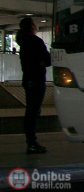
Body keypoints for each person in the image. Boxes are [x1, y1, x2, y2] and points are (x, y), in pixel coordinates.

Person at [16, 17, 51, 154]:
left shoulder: (23, 41)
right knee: (34, 111)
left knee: (31, 110)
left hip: (28, 80)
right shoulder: (36, 41)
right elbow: (47, 60)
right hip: (37, 79)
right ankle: (32, 143)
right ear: (32, 26)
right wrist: (42, 63)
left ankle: (30, 141)